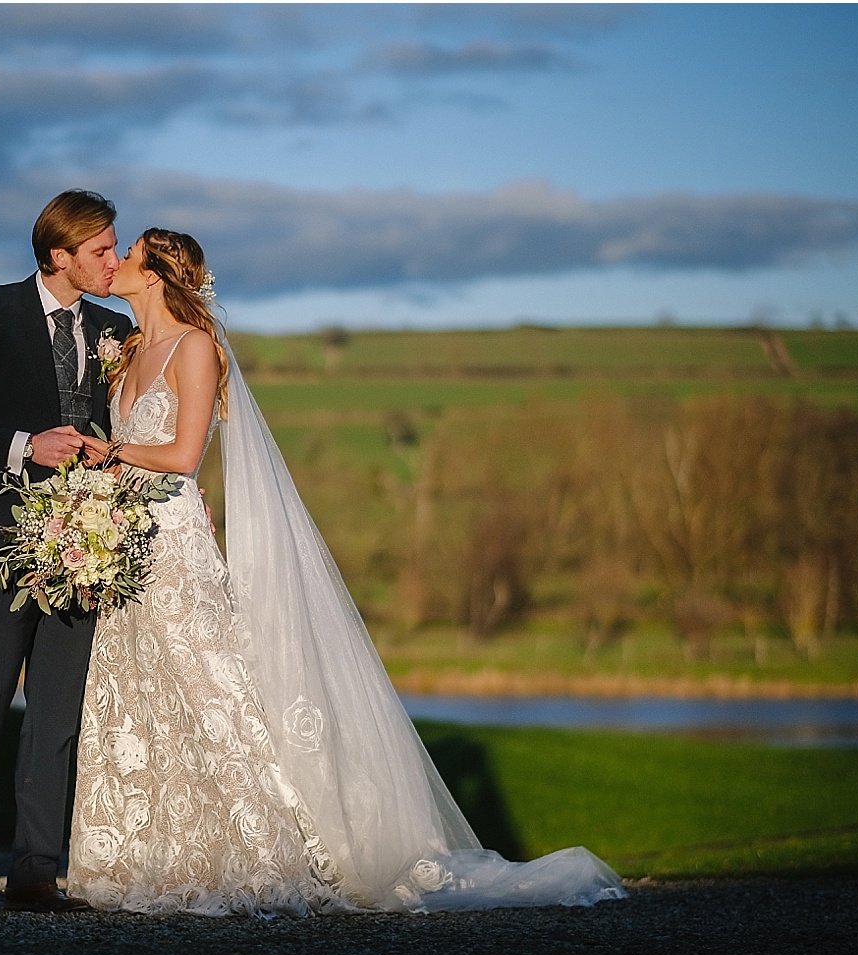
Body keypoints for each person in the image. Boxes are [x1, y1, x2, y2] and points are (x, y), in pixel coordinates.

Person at [71, 229, 627, 915]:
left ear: (155, 275)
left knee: (215, 691)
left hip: (177, 545)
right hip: (129, 542)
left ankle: (263, 853)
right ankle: (153, 859)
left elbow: (184, 454)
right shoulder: (126, 355)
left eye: (128, 254)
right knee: (142, 691)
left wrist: (110, 449)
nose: (116, 260)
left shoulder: (194, 348)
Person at [0, 190, 134, 913]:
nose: (115, 260)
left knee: (59, 710)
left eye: (114, 246)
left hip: (87, 547)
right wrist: (20, 448)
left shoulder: (114, 326)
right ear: (57, 256)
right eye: (100, 250)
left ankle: (36, 872)